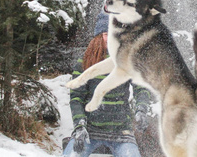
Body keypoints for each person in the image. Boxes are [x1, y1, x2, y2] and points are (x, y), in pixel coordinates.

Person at [63, 10, 151, 157]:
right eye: (107, 34)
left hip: (121, 131)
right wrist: (79, 127)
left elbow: (141, 87)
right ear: (99, 36)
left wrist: (141, 108)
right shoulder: (85, 62)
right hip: (89, 131)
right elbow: (76, 98)